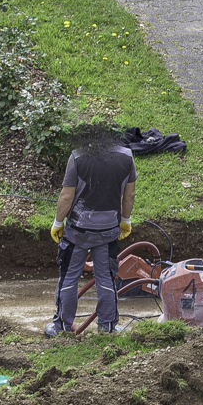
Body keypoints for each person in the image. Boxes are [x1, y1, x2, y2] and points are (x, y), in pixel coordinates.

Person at [46, 127, 137, 335]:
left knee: (69, 278)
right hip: (108, 231)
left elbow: (66, 196)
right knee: (106, 278)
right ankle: (107, 327)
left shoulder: (78, 157)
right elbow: (129, 195)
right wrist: (125, 220)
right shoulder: (126, 157)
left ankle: (61, 328)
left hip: (78, 231)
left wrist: (58, 222)